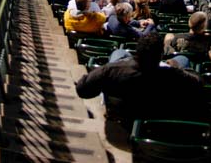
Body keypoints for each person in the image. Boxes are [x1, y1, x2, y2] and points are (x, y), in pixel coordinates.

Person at [74, 33, 203, 120]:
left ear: (137, 51)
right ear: (160, 56)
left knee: (119, 52)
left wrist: (105, 79)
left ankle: (125, 58)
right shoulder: (172, 75)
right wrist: (175, 66)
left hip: (121, 111)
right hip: (153, 114)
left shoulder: (111, 70)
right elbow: (198, 82)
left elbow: (82, 89)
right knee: (182, 58)